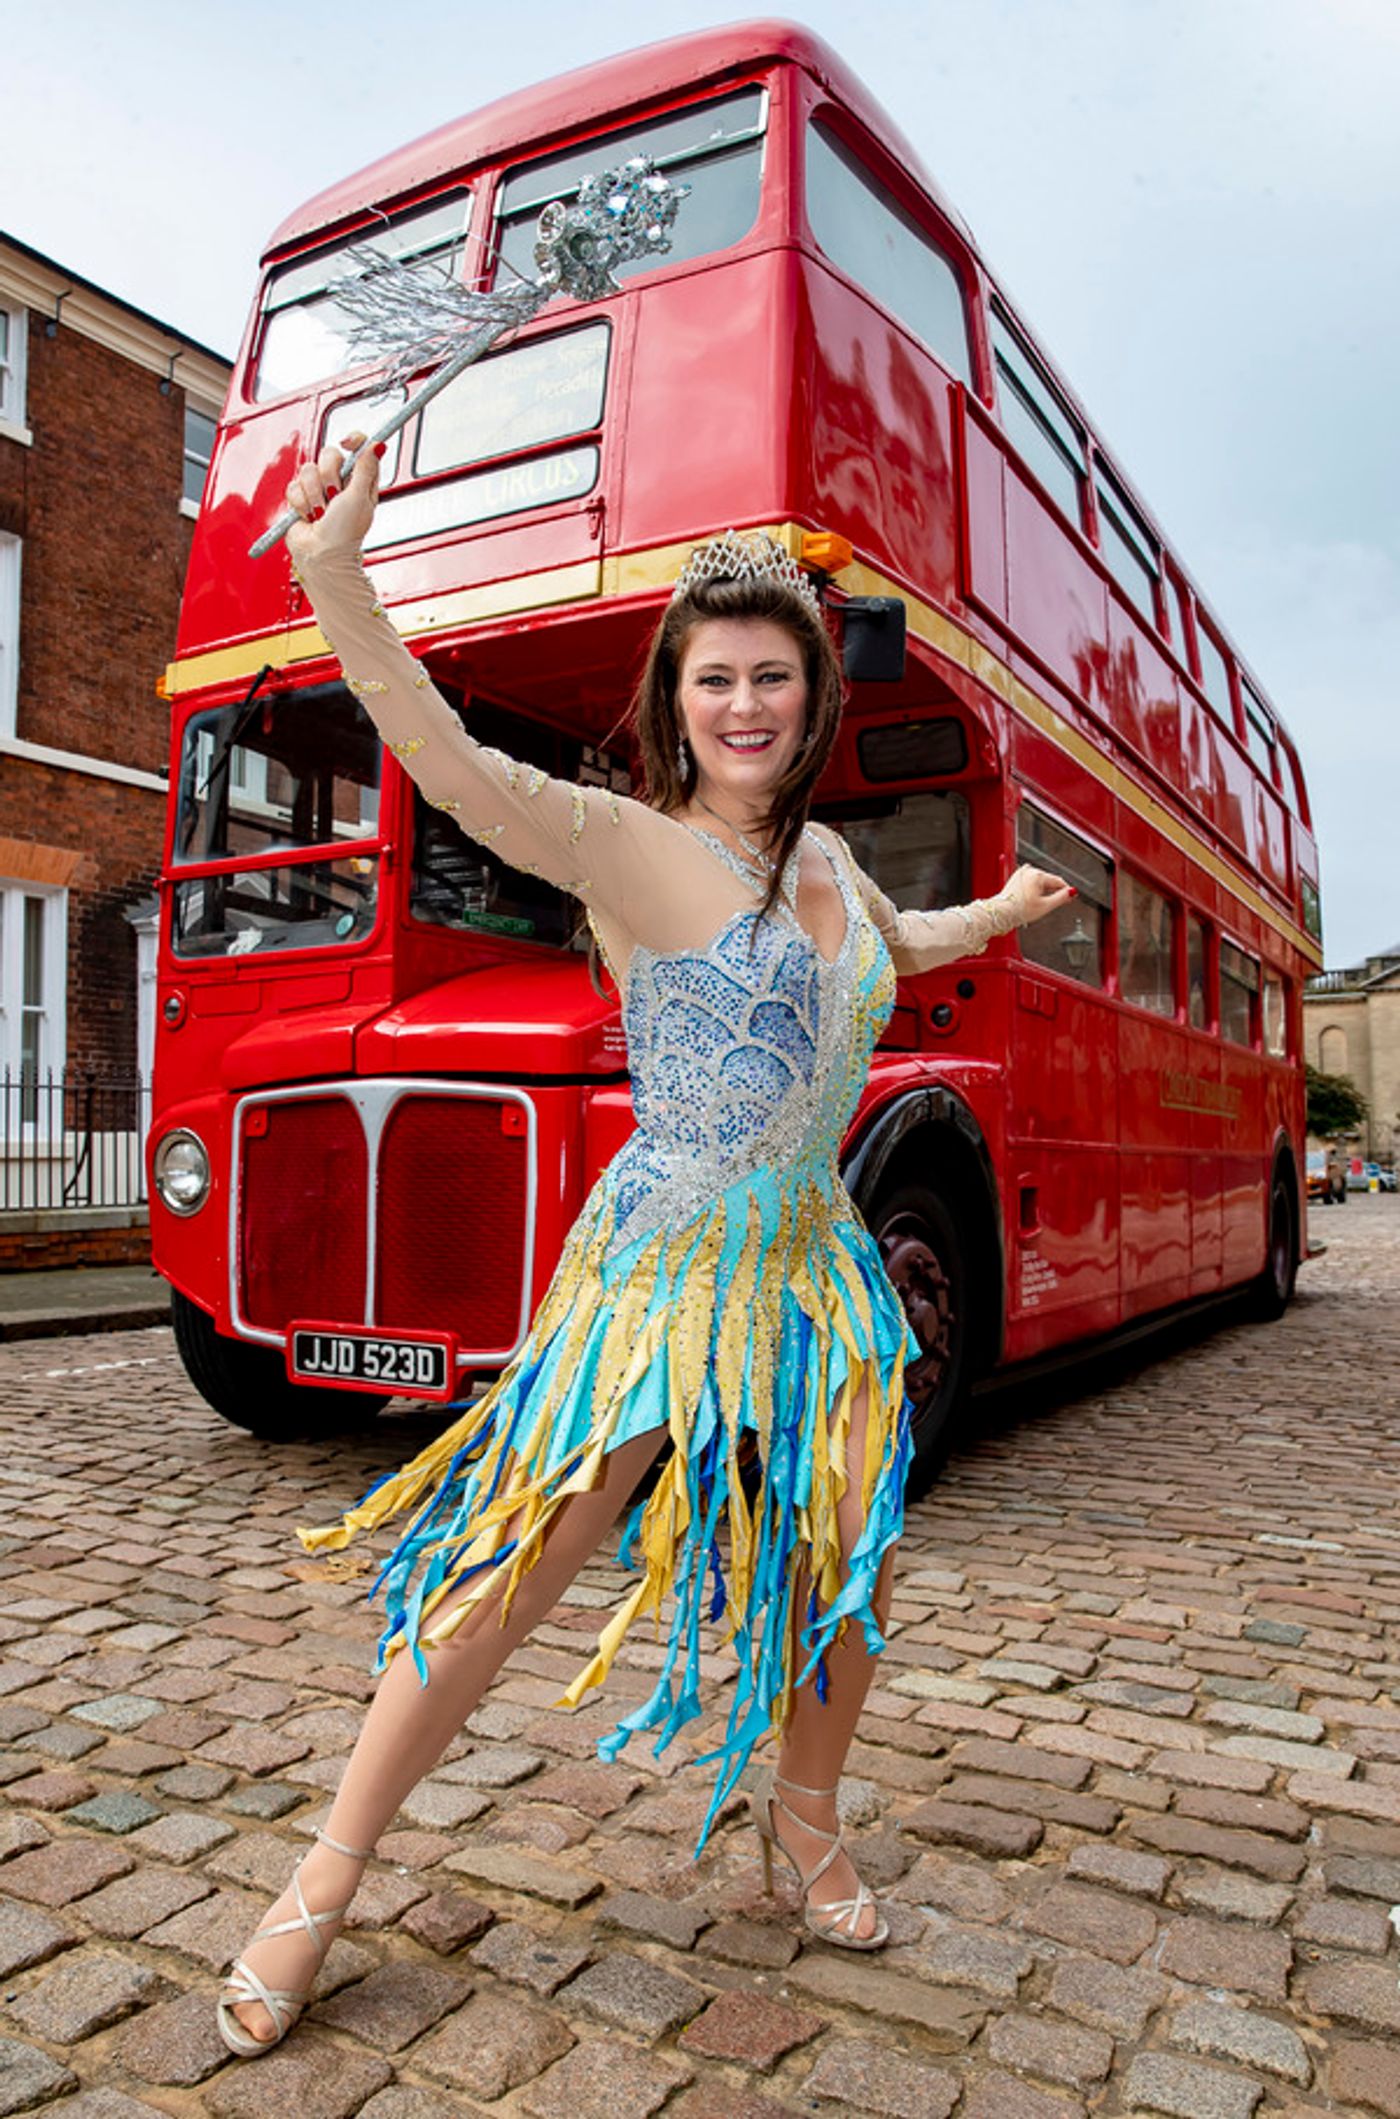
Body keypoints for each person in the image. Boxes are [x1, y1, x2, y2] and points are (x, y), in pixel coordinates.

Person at [217, 438, 1073, 2056]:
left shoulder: (828, 862)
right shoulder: (624, 844)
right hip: (666, 1265)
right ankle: (323, 1878)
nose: (745, 706)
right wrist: (337, 578)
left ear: (815, 702)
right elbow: (454, 766)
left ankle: (805, 1819)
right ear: (674, 700)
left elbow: (907, 941)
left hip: (817, 1268)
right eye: (715, 682)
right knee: (512, 1569)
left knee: (849, 1555)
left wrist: (1006, 916)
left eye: (774, 679)